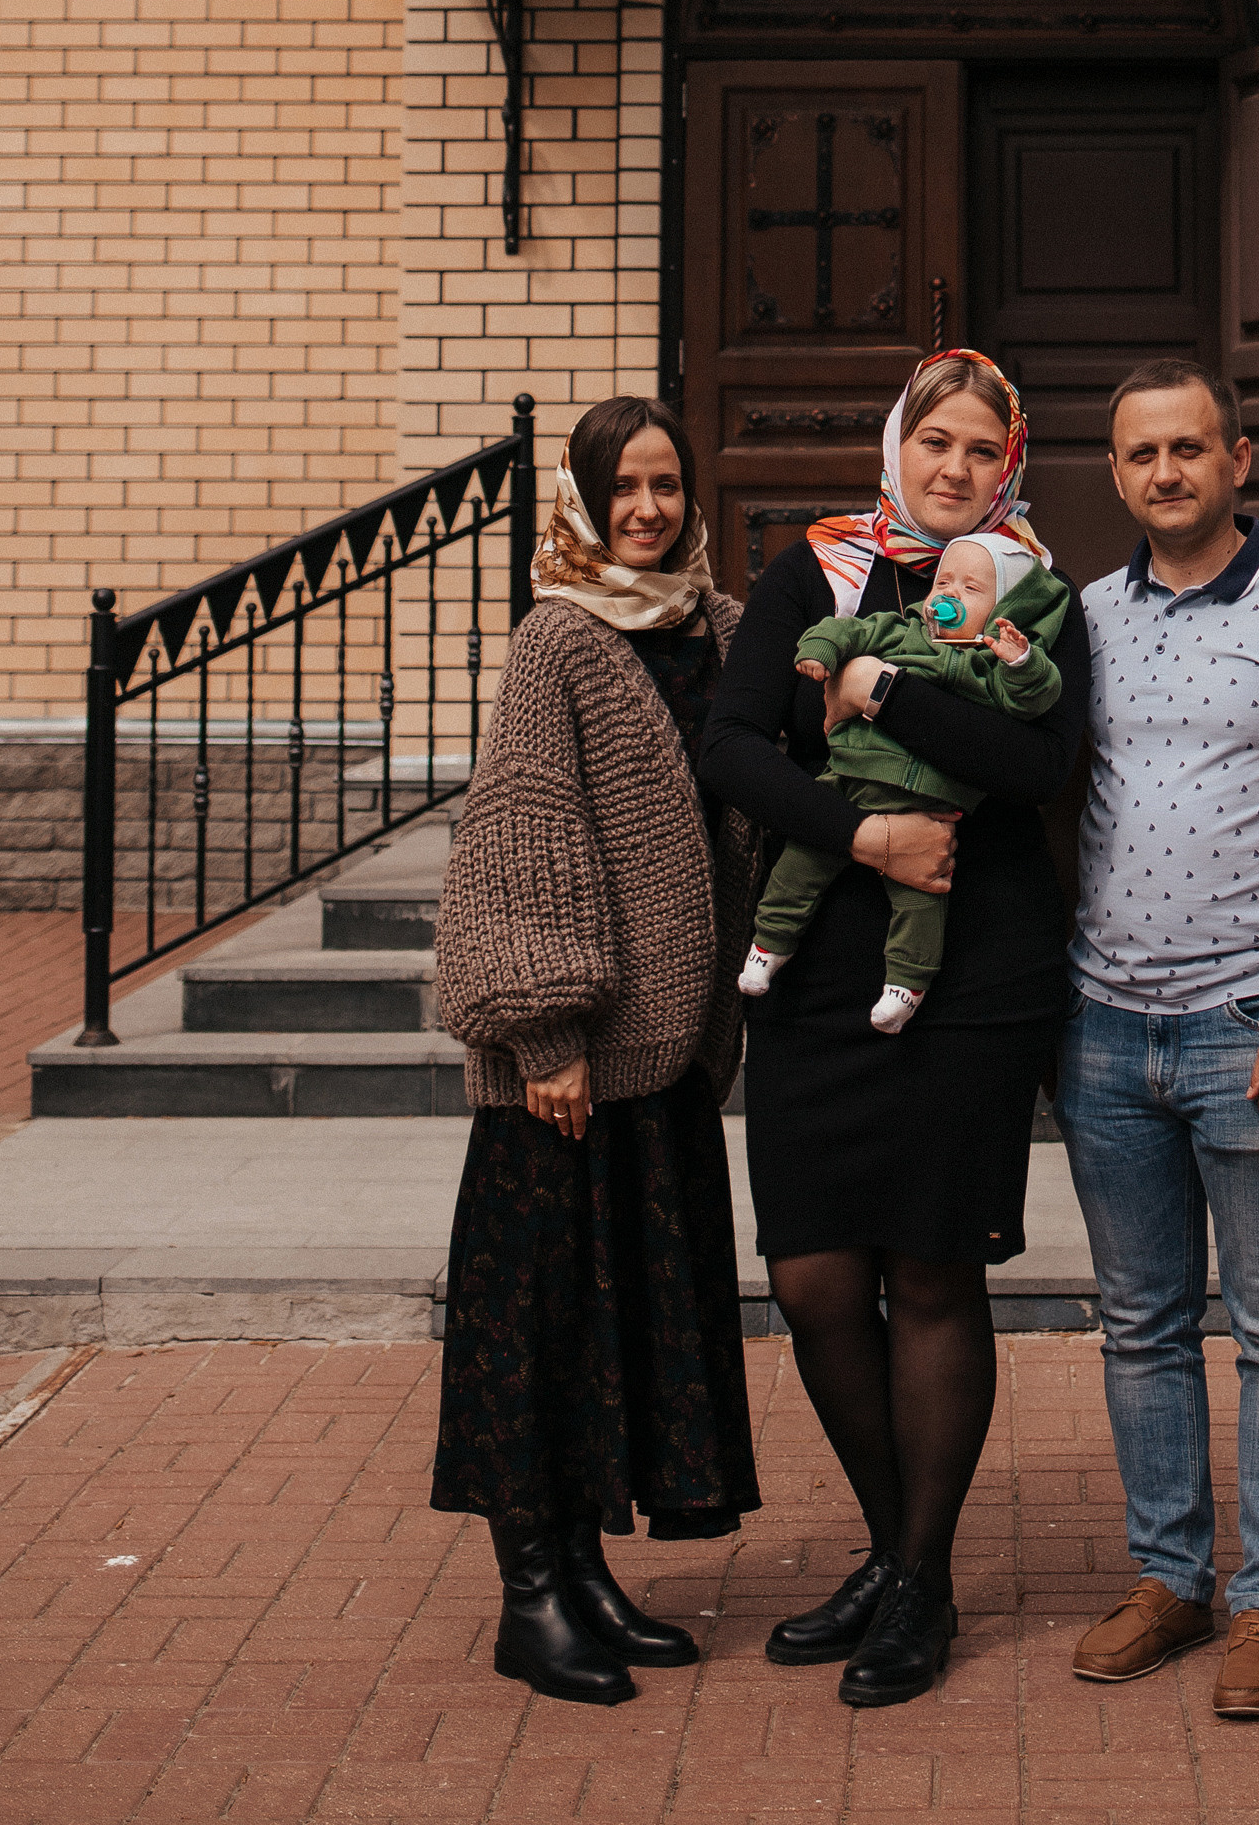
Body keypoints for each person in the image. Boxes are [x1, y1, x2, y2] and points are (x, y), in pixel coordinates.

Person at [701, 351, 1090, 1709]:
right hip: (816, 962)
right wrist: (860, 828)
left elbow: (1042, 763)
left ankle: (917, 1581)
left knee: (930, 1276)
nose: (954, 468)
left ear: (1011, 465)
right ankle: (896, 1551)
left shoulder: (1032, 593)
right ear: (896, 445)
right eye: (934, 440)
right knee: (812, 1277)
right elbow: (734, 743)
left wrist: (885, 696)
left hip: (975, 968)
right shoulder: (814, 573)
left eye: (983, 450)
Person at [1055, 363, 1259, 1723]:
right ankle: (1172, 1578)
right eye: (1142, 455)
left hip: (1257, 1024)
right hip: (1105, 1026)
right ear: (1120, 474)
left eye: (1189, 448)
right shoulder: (1078, 620)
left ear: (1237, 459)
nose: (1166, 473)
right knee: (1138, 1324)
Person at [431, 395, 762, 1705]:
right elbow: (521, 836)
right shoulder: (556, 642)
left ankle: (586, 1576)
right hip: (561, 1071)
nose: (648, 508)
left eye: (667, 485)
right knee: (540, 1322)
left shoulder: (722, 632)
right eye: (622, 486)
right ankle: (531, 1596)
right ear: (580, 497)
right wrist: (545, 1031)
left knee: (626, 1316)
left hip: (669, 1054)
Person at [740, 527, 1070, 1030]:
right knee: (798, 868)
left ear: (1006, 610)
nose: (949, 595)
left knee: (921, 901)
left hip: (928, 812)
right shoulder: (901, 629)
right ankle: (768, 946)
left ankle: (906, 986)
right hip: (849, 782)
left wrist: (1021, 661)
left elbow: (1032, 706)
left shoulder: (990, 668)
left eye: (972, 589)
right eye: (944, 583)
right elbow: (845, 630)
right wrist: (822, 652)